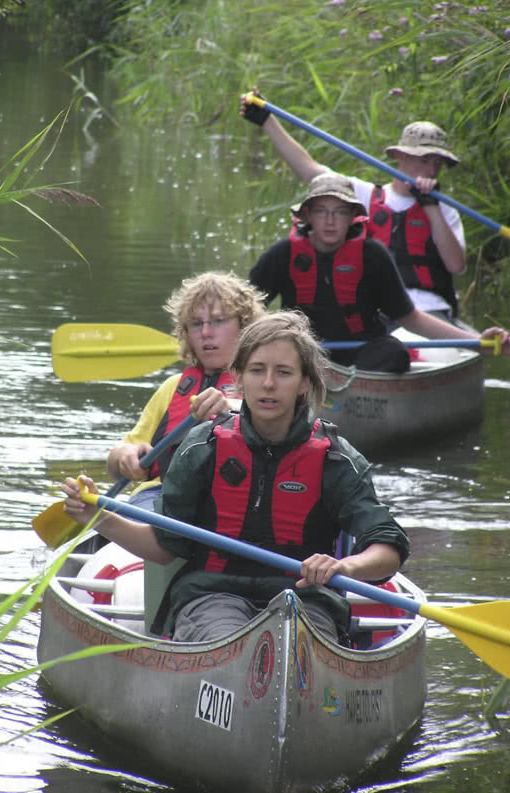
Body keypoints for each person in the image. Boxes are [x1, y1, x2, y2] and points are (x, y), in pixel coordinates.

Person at [63, 310, 410, 645]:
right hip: (212, 595)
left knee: (297, 639)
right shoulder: (203, 446)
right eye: (257, 370)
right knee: (228, 637)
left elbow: (388, 547)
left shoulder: (337, 458)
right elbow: (164, 548)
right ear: (239, 377)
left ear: (305, 382)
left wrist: (346, 566)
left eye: (284, 372)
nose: (269, 384)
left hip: (306, 599)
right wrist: (98, 517)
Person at [248, 171, 510, 372]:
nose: (330, 221)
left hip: (362, 355)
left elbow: (411, 319)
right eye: (321, 211)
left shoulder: (372, 255)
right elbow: (246, 308)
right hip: (301, 354)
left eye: (339, 212)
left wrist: (477, 341)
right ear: (307, 216)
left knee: (395, 353)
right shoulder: (283, 254)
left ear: (353, 216)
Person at [241, 90, 465, 320]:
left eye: (438, 164)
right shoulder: (362, 196)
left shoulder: (446, 210)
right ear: (402, 157)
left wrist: (431, 207)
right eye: (425, 160)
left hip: (432, 310)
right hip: (376, 308)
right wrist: (267, 121)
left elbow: (456, 265)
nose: (431, 171)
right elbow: (310, 170)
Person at [106, 271, 265, 512]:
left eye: (218, 321)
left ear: (245, 327)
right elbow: (116, 462)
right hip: (158, 497)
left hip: (230, 505)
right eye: (196, 324)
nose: (206, 333)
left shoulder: (265, 385)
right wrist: (123, 457)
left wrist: (230, 407)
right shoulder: (173, 387)